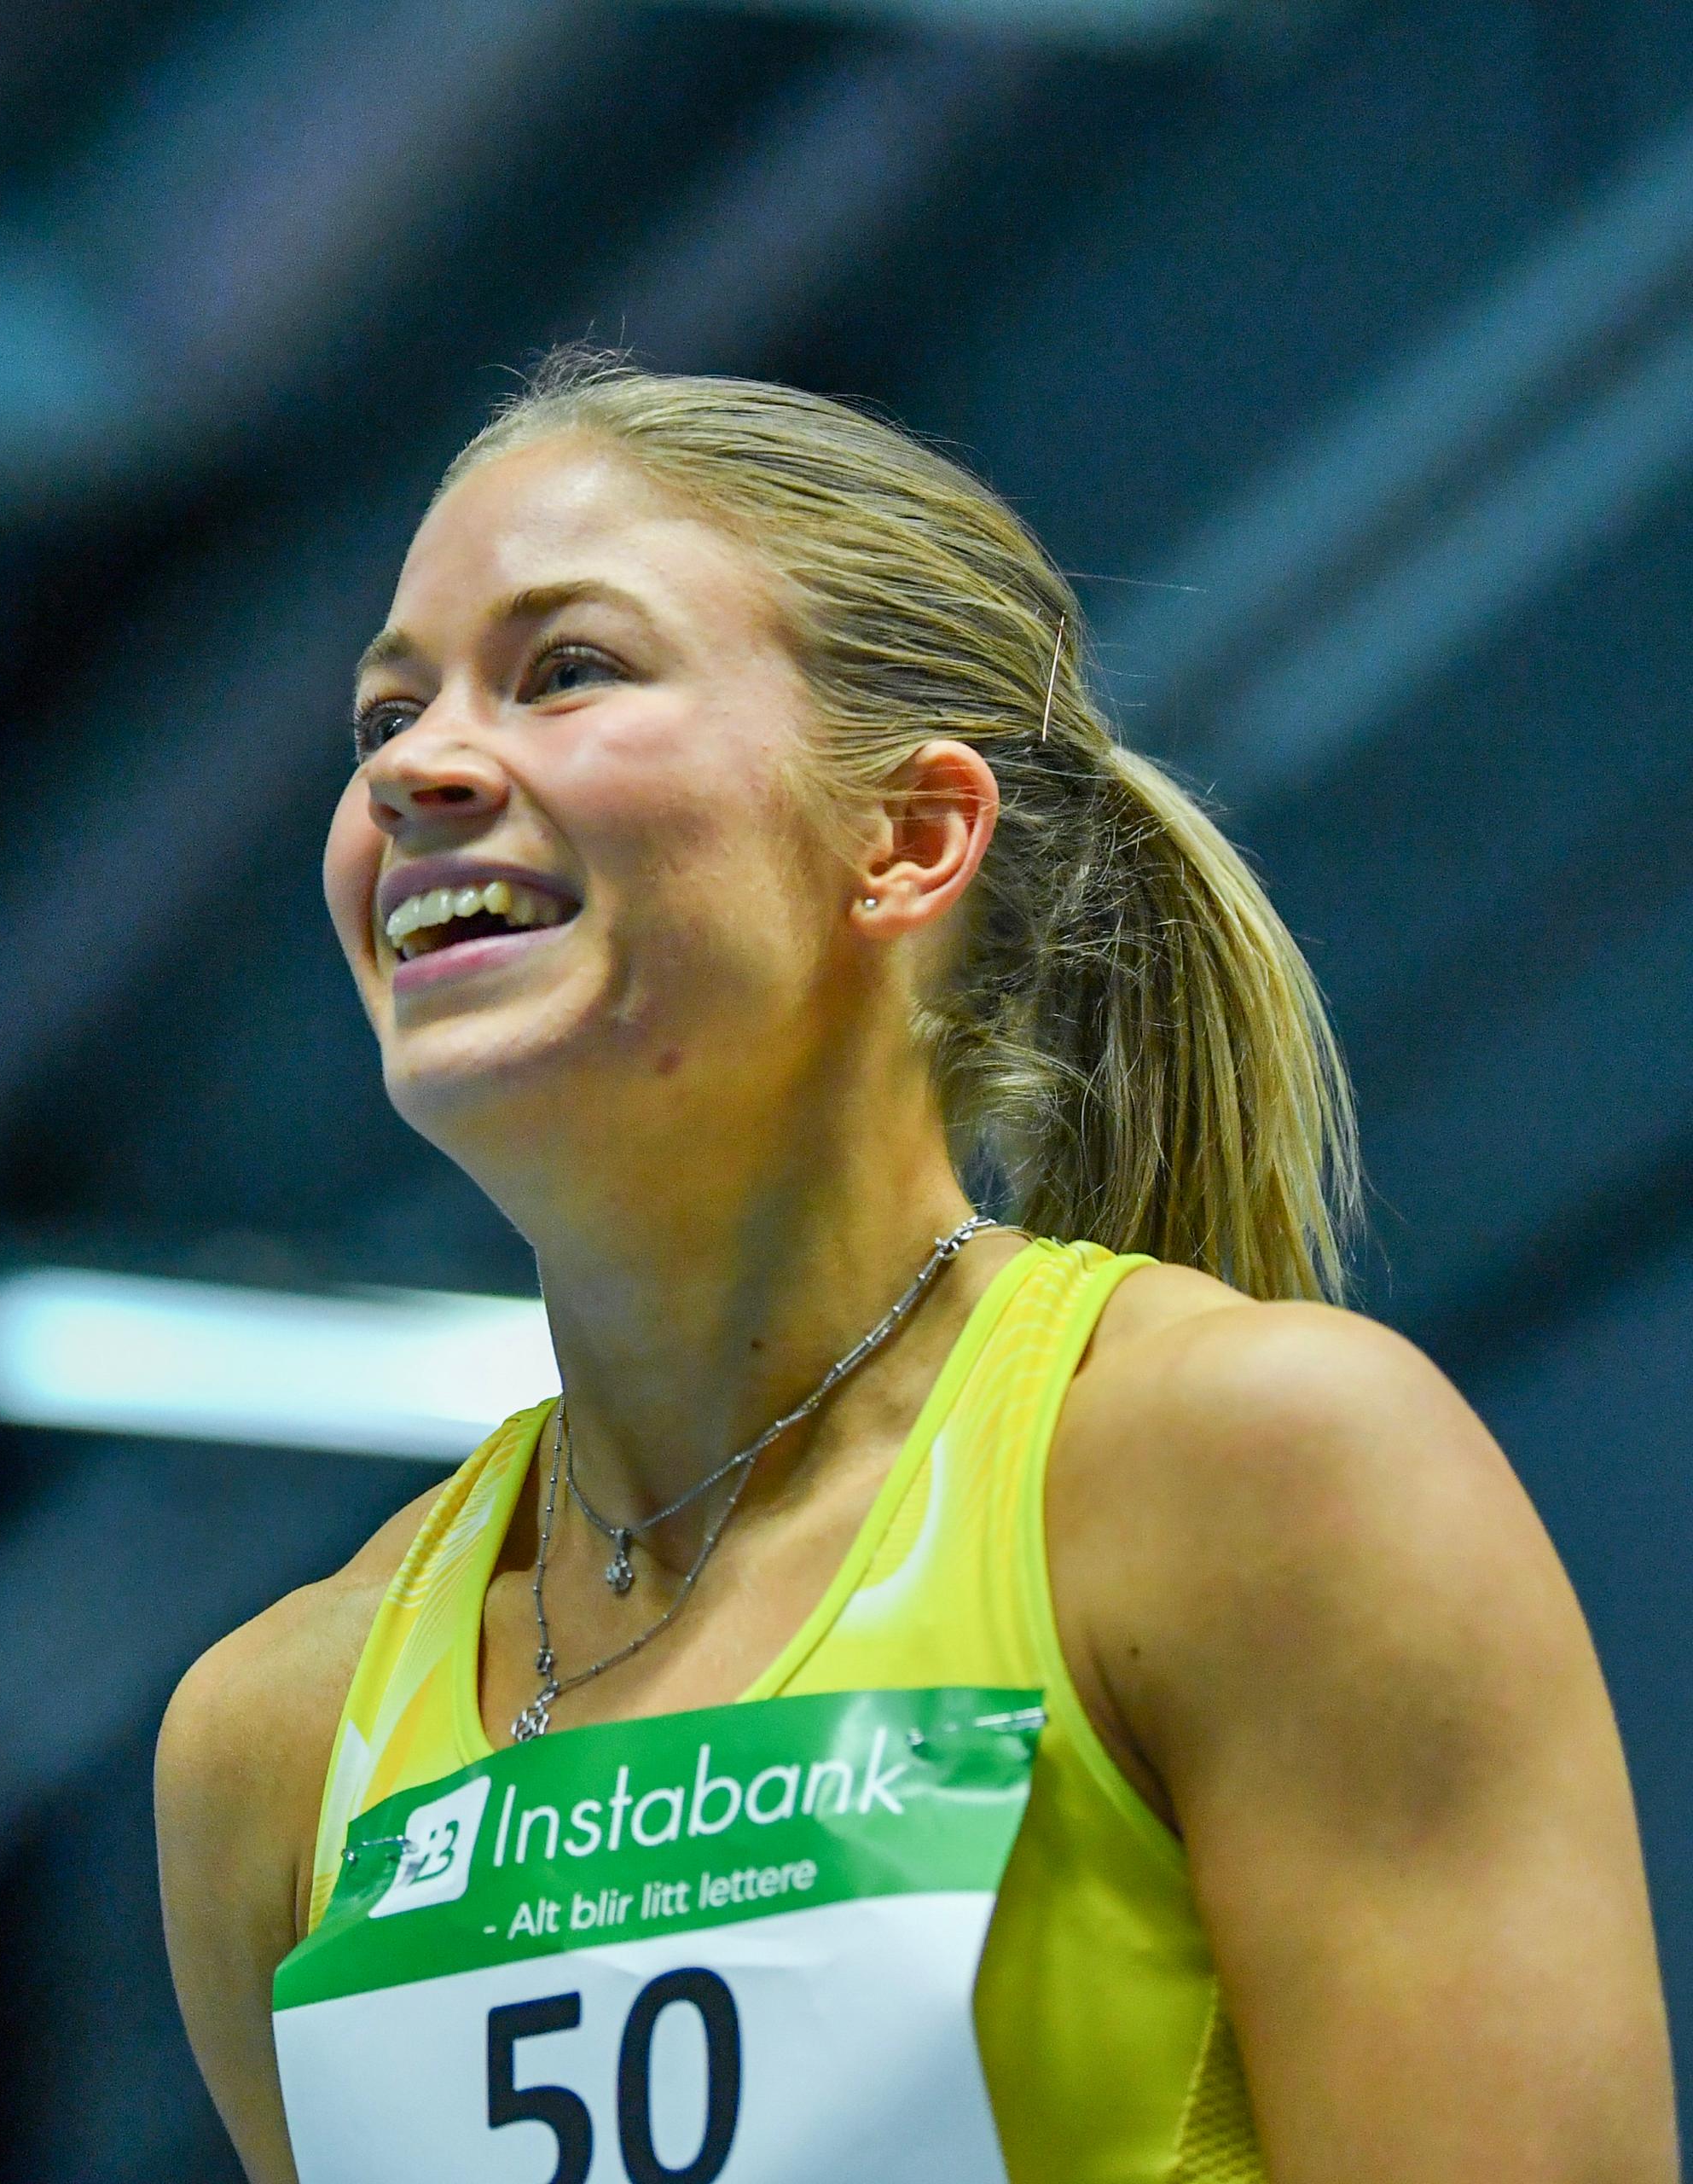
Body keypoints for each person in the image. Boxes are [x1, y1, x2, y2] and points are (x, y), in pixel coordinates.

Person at [154, 352, 1674, 2184]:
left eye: (568, 669)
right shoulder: (276, 1738)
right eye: (384, 712)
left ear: (909, 838)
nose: (416, 766)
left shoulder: (1249, 1475)